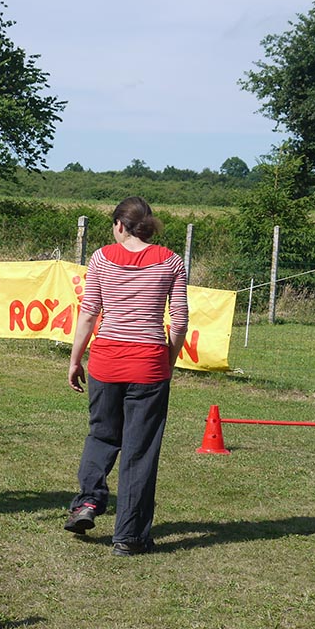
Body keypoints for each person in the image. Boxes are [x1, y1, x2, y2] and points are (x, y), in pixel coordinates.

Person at [65, 196, 189, 556]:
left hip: (105, 362)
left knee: (101, 436)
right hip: (148, 365)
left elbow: (89, 314)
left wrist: (75, 360)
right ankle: (129, 537)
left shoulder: (102, 258)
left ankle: (87, 503)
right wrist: (168, 358)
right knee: (140, 451)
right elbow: (179, 322)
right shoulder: (172, 262)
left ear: (119, 224)